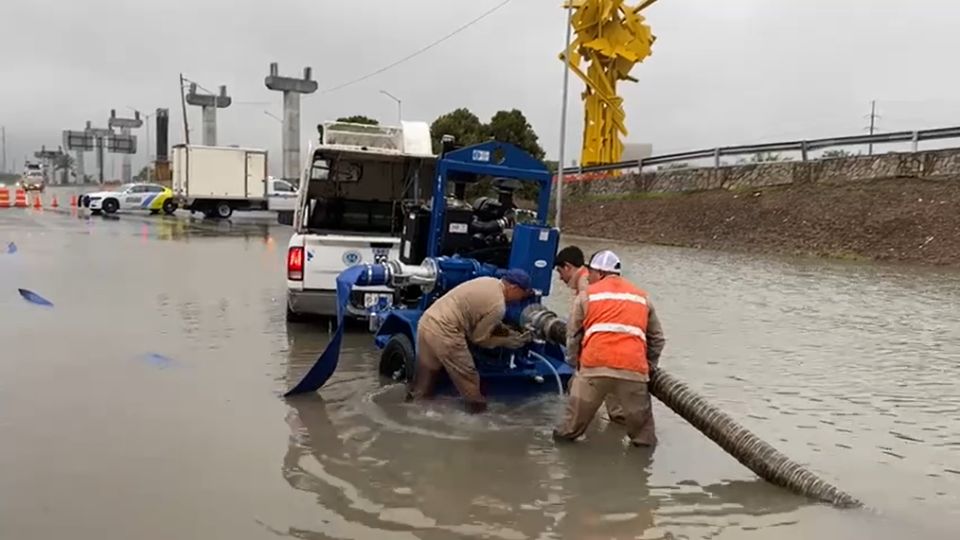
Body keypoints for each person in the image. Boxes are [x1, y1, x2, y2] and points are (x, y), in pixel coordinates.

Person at [553, 250, 666, 446]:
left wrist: (575, 363)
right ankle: (638, 473)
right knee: (643, 438)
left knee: (568, 431)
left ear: (599, 273)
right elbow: (657, 339)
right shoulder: (642, 297)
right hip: (633, 369)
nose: (589, 277)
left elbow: (573, 335)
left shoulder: (587, 295)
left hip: (594, 367)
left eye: (592, 274)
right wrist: (648, 366)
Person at [408, 269, 534, 413]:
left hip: (427, 322)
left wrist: (505, 330)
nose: (520, 299)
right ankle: (481, 419)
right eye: (522, 294)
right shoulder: (498, 306)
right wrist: (507, 341)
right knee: (469, 379)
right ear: (514, 288)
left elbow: (476, 311)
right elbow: (479, 339)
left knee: (423, 383)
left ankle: (410, 413)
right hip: (445, 332)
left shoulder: (488, 281)